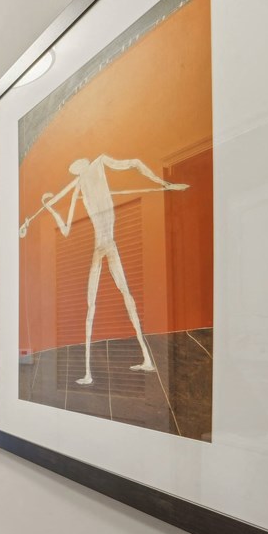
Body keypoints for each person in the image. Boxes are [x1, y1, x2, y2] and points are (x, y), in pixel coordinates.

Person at [20, 155, 188, 385]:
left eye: (76, 165)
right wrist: (49, 208)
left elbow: (135, 162)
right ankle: (90, 372)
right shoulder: (78, 183)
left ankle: (145, 358)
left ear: (83, 162)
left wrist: (163, 183)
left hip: (108, 244)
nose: (75, 169)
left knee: (123, 298)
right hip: (101, 247)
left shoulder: (98, 163)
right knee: (94, 305)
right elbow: (67, 228)